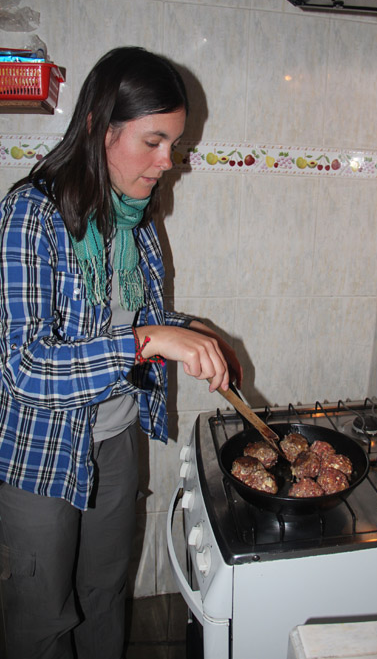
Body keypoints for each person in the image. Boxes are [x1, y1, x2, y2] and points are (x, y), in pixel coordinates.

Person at [0, 46, 241, 659]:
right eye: (153, 141)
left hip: (116, 437)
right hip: (40, 453)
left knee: (105, 594)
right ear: (96, 127)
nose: (167, 163)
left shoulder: (135, 220)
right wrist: (152, 341)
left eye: (175, 145)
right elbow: (25, 368)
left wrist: (195, 337)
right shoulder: (30, 215)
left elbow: (148, 321)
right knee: (43, 621)